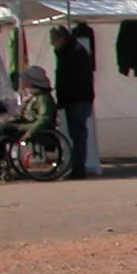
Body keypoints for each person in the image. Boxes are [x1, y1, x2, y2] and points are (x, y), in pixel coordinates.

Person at [54, 22, 96, 178]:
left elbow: (69, 79)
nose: (52, 43)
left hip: (77, 99)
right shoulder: (75, 51)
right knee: (77, 135)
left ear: (61, 39)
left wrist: (64, 98)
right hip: (78, 98)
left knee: (78, 135)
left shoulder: (72, 53)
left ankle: (79, 169)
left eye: (54, 39)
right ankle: (78, 167)